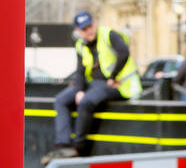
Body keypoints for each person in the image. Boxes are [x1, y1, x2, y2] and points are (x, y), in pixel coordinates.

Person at [45, 11, 140, 160]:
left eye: (89, 26)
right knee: (60, 100)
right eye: (83, 29)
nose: (88, 31)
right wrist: (79, 90)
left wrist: (113, 76)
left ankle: (78, 147)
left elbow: (124, 52)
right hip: (94, 84)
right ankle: (63, 144)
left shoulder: (108, 35)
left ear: (94, 23)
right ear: (78, 31)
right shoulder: (80, 45)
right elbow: (80, 71)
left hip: (118, 85)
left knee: (86, 102)